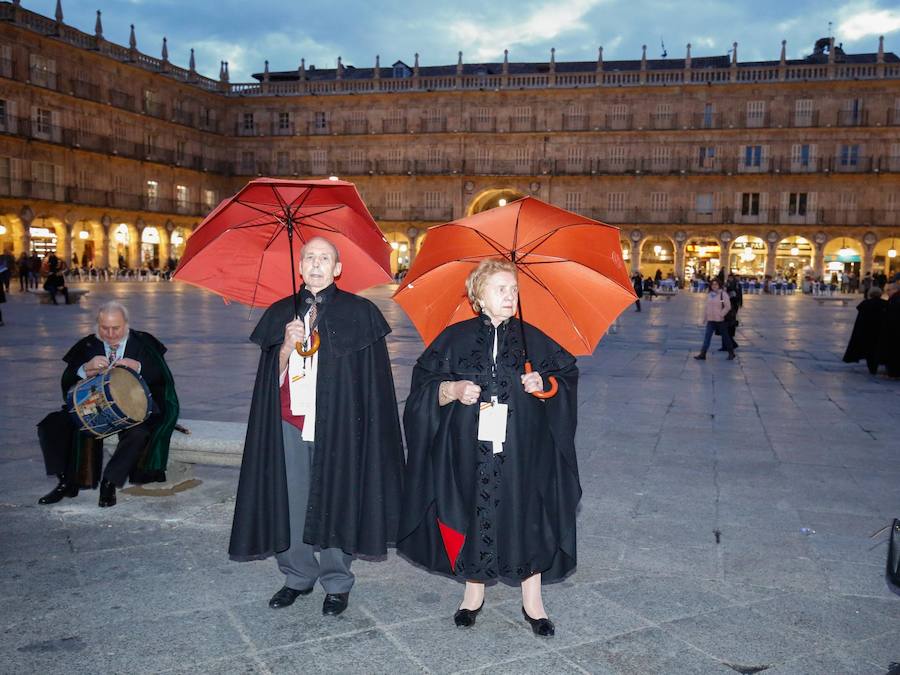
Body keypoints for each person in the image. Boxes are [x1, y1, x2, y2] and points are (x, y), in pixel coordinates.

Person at [398, 259, 581, 637]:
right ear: (478, 295)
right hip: (467, 449)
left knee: (528, 513)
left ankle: (533, 601)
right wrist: (451, 390)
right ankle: (473, 593)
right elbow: (422, 391)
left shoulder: (533, 338)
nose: (510, 296)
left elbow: (564, 379)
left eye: (514, 289)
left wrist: (543, 384)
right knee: (471, 508)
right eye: (501, 289)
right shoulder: (453, 339)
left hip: (524, 450)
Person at [229, 236, 404, 618]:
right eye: (309, 257)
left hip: (339, 426)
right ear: (300, 266)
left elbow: (372, 384)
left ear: (337, 268)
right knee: (291, 502)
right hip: (289, 423)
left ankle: (337, 583)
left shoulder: (361, 313)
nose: (316, 264)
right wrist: (285, 348)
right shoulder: (281, 313)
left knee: (338, 500)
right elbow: (266, 381)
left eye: (324, 258)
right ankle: (297, 576)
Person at [37, 301, 179, 507]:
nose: (110, 334)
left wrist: (138, 367)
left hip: (136, 407)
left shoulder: (144, 342)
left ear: (126, 325)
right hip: (93, 405)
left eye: (116, 328)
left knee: (139, 434)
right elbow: (68, 380)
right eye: (105, 328)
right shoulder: (88, 344)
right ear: (98, 325)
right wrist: (85, 369)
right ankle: (67, 482)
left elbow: (162, 377)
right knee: (52, 424)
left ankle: (109, 482)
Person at [843, 287, 888, 375]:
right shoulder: (885, 304)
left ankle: (872, 369)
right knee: (877, 349)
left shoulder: (865, 304)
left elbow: (860, 320)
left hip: (867, 331)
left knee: (869, 351)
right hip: (880, 331)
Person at [694, 278, 736, 360]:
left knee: (725, 337)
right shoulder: (710, 294)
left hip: (720, 320)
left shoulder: (723, 294)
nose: (714, 286)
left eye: (716, 284)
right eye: (712, 284)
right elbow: (707, 307)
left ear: (719, 285)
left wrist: (721, 314)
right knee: (707, 337)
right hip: (711, 320)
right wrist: (705, 317)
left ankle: (731, 353)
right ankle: (703, 354)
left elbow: (728, 307)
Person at [720, 273, 743, 351]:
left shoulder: (734, 286)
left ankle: (730, 345)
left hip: (730, 311)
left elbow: (737, 296)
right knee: (726, 328)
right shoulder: (731, 285)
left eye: (731, 278)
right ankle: (728, 345)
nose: (729, 279)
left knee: (726, 328)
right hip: (729, 310)